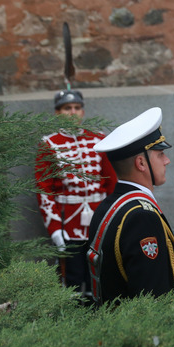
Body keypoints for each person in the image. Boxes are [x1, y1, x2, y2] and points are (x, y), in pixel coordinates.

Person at [85, 107, 174, 305]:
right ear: (141, 163)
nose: (166, 161)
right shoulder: (142, 217)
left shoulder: (108, 206)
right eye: (160, 154)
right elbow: (154, 298)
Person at [35, 89, 117, 296]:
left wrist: (110, 220)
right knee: (72, 279)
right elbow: (44, 192)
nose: (73, 112)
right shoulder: (49, 144)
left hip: (98, 219)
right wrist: (55, 229)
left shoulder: (99, 140)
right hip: (68, 222)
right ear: (57, 112)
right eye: (67, 108)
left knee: (98, 275)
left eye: (77, 108)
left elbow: (111, 185)